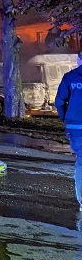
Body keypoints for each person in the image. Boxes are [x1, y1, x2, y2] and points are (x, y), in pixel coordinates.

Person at [54, 51, 82, 211]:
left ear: (79, 60)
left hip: (76, 128)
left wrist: (67, 119)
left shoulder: (69, 78)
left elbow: (59, 102)